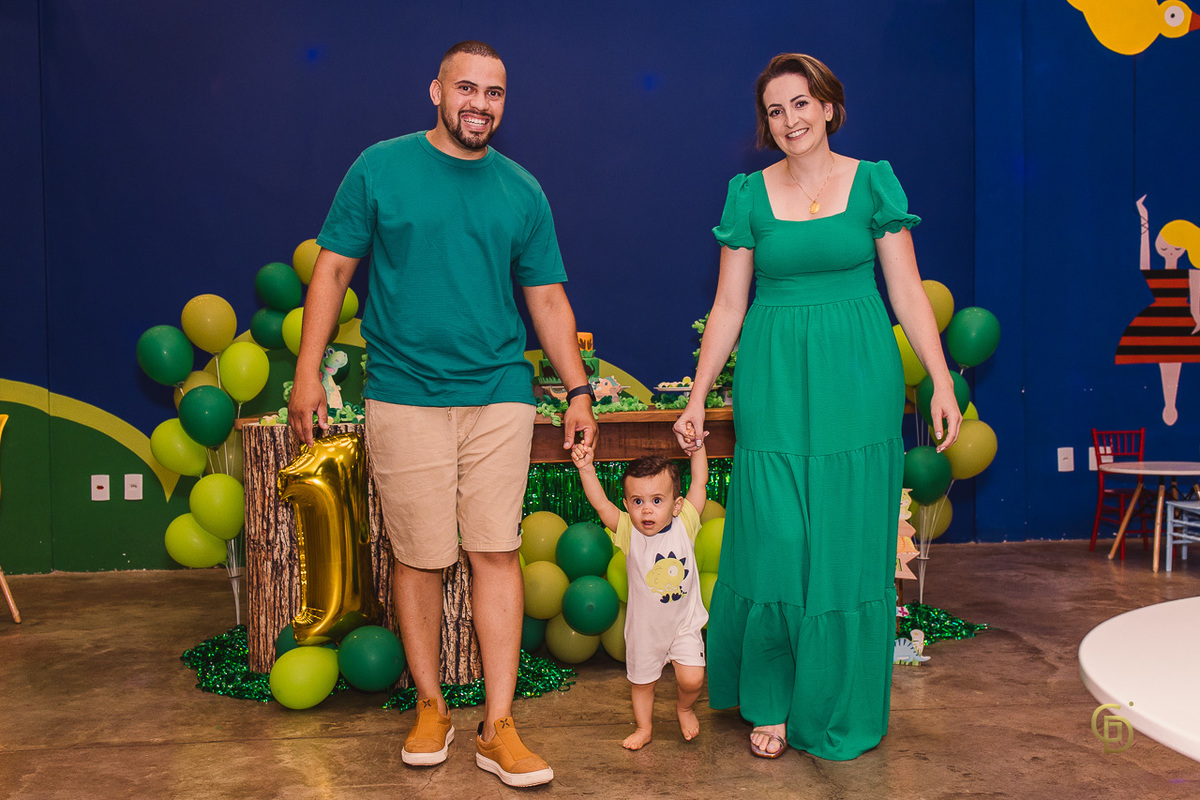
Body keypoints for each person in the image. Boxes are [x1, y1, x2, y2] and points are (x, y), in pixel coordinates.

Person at [287, 40, 598, 788]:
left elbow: (547, 299)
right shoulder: (380, 168)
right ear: (436, 91)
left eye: (493, 93)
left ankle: (499, 724)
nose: (479, 104)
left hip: (499, 394)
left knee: (496, 552)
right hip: (404, 394)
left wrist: (579, 390)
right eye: (466, 89)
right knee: (420, 556)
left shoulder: (522, 190)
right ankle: (430, 706)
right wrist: (307, 373)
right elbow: (333, 269)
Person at [673, 53, 961, 761]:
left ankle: (833, 701)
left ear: (828, 107)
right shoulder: (748, 195)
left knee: (844, 544)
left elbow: (907, 290)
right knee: (777, 539)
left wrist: (940, 380)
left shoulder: (873, 182)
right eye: (775, 110)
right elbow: (729, 303)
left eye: (801, 103)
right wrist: (699, 393)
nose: (790, 120)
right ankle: (772, 696)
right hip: (773, 380)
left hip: (857, 380)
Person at [570, 432, 709, 751]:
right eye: (637, 501)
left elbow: (699, 482)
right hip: (645, 631)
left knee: (692, 680)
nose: (646, 511)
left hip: (684, 625)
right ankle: (644, 727)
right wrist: (586, 468)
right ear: (627, 505)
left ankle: (684, 708)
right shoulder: (628, 532)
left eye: (656, 501)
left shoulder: (686, 522)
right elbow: (601, 504)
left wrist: (697, 449)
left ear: (676, 505)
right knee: (643, 683)